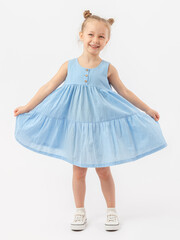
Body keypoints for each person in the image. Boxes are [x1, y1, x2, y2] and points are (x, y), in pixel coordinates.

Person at [14, 10, 168, 231]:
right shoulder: (69, 66)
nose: (95, 40)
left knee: (103, 170)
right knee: (78, 171)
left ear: (107, 40)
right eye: (91, 35)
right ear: (81, 35)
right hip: (76, 128)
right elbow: (48, 87)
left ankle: (112, 211)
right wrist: (28, 107)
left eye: (101, 37)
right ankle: (79, 212)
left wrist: (147, 109)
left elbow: (124, 92)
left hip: (99, 128)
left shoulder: (108, 68)